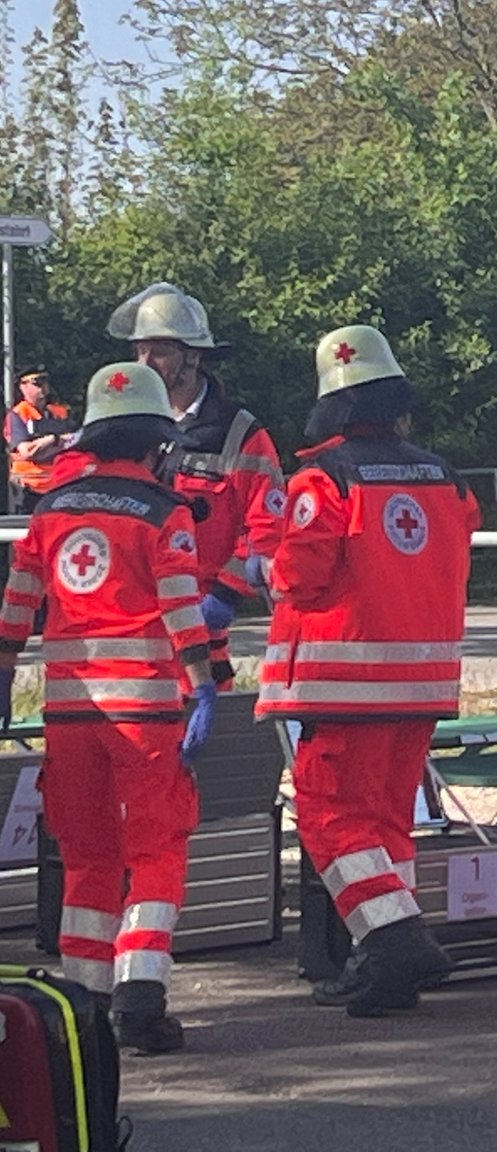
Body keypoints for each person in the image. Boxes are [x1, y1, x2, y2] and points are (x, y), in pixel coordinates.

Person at [257, 325, 479, 1018]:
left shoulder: (322, 480)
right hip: (421, 685)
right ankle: (387, 966)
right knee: (386, 823)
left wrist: (264, 555)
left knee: (329, 817)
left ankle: (391, 939)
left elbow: (300, 577)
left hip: (340, 683)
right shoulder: (446, 478)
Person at [0, 362, 216, 1053]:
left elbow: (16, 609)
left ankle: (84, 1004)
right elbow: (182, 608)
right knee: (155, 849)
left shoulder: (51, 508)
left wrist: (4, 676)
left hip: (68, 710)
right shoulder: (163, 509)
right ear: (156, 442)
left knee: (87, 854)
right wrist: (203, 683)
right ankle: (142, 994)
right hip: (145, 711)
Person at [109, 283, 285, 689]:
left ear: (194, 355)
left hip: (201, 631)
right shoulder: (122, 425)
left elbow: (266, 529)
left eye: (160, 350)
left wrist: (224, 595)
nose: (145, 361)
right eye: (139, 350)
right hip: (131, 626)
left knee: (208, 746)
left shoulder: (237, 432)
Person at [7, 366, 79, 513]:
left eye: (45, 382)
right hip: (27, 490)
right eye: (37, 382)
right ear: (23, 386)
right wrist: (55, 439)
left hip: (57, 487)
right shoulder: (16, 415)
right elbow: (27, 452)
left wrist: (42, 446)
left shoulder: (59, 413)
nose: (43, 387)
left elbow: (72, 444)